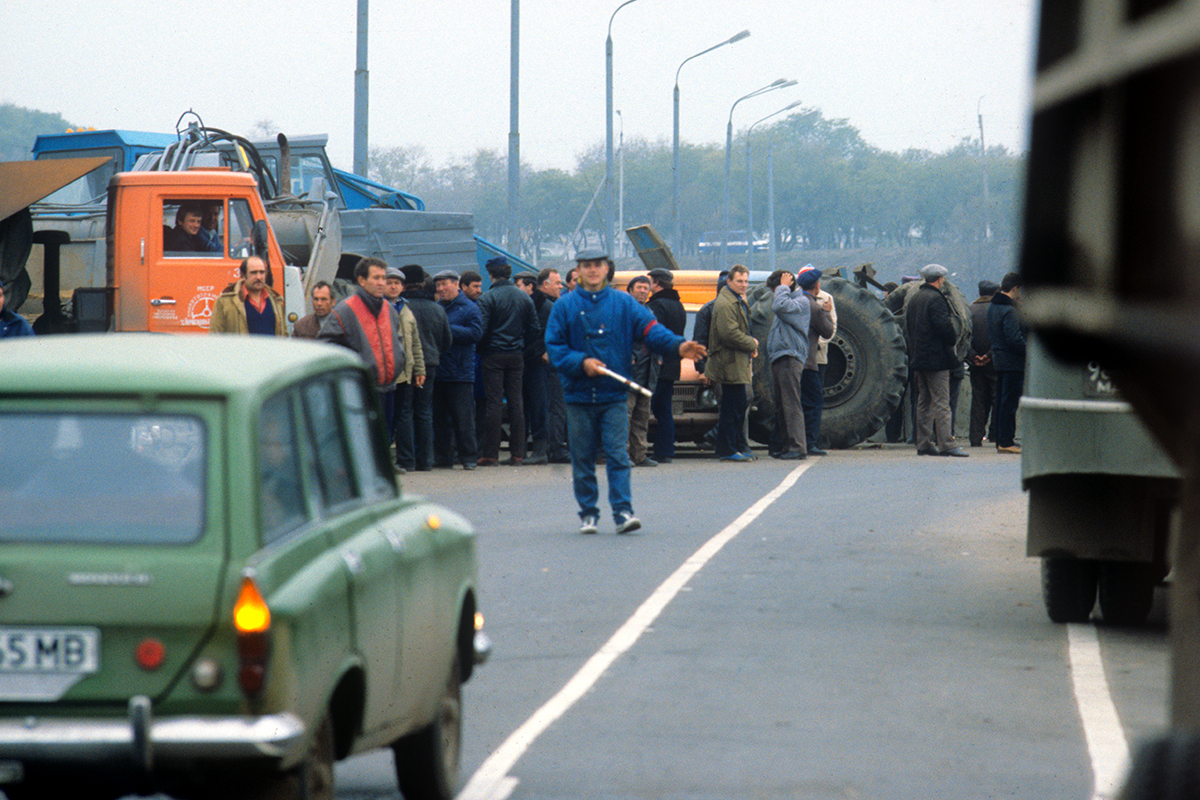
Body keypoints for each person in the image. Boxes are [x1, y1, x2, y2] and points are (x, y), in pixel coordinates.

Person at [545, 249, 706, 534]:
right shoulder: (564, 306)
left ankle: (622, 513)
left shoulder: (624, 304)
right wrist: (581, 362)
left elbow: (651, 330)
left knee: (619, 456)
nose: (593, 270)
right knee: (582, 458)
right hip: (578, 395)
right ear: (579, 270)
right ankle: (589, 514)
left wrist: (678, 346)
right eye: (586, 266)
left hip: (615, 394)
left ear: (607, 269)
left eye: (598, 265)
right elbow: (555, 348)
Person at [319, 257, 406, 432]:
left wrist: (399, 359)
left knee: (384, 440)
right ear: (362, 281)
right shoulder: (346, 310)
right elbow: (326, 345)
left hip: (389, 388)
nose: (382, 283)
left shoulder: (388, 309)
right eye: (376, 278)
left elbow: (398, 339)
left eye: (384, 278)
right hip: (362, 391)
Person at [476, 257, 540, 466]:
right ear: (509, 273)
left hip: (493, 355)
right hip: (516, 355)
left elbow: (482, 330)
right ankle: (518, 453)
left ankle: (491, 454)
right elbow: (534, 329)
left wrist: (483, 348)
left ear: (491, 274)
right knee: (516, 403)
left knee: (494, 403)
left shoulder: (487, 298)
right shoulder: (524, 298)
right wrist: (520, 344)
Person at [905, 264, 969, 457]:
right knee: (942, 402)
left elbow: (908, 326)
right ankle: (947, 444)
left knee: (923, 401)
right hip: (937, 360)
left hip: (919, 359)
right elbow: (944, 327)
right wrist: (952, 339)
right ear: (940, 279)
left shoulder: (915, 299)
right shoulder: (936, 298)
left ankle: (923, 443)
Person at [401, 265, 453, 471]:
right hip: (430, 364)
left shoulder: (402, 308)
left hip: (406, 364)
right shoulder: (437, 309)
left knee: (405, 411)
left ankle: (407, 459)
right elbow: (447, 339)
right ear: (423, 283)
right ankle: (426, 460)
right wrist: (434, 353)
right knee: (424, 411)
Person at [433, 269, 483, 470]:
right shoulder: (437, 308)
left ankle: (469, 457)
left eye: (445, 284)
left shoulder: (469, 308)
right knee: (440, 419)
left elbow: (476, 333)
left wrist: (448, 329)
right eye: (438, 286)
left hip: (461, 372)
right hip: (439, 371)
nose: (441, 289)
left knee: (464, 419)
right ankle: (443, 457)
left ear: (456, 284)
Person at [707, 264, 758, 462]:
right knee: (732, 407)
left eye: (746, 281)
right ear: (729, 282)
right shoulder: (726, 303)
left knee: (736, 406)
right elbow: (729, 333)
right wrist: (751, 343)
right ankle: (728, 449)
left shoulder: (736, 300)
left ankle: (730, 447)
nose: (744, 285)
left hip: (735, 361)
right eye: (739, 281)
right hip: (729, 362)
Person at [385, 267, 426, 473]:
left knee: (400, 416)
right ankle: (386, 461)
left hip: (405, 373)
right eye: (389, 282)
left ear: (403, 287)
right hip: (387, 372)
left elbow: (415, 343)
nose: (393, 287)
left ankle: (401, 461)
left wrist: (419, 369)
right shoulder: (380, 306)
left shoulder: (406, 309)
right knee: (388, 417)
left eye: (397, 283)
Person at [766, 270, 808, 459]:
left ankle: (797, 447)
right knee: (782, 405)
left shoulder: (801, 302)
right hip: (780, 357)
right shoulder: (789, 301)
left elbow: (780, 306)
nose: (775, 295)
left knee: (791, 404)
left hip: (790, 357)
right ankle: (786, 446)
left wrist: (782, 287)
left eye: (776, 290)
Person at [647, 267, 686, 464]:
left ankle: (657, 449)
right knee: (665, 410)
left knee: (651, 407)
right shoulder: (678, 305)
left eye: (650, 282)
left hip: (658, 365)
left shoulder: (657, 305)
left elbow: (655, 334)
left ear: (656, 283)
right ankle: (665, 449)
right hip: (673, 364)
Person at [797, 265, 837, 451]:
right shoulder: (815, 305)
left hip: (798, 359)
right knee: (815, 401)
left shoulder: (793, 300)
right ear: (816, 285)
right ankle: (810, 442)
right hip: (809, 361)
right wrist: (826, 312)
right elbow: (828, 330)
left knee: (798, 400)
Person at [988, 272, 1026, 454]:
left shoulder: (993, 307)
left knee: (1001, 402)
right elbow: (1014, 339)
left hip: (999, 360)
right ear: (1015, 288)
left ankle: (1000, 439)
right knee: (1010, 403)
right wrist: (1029, 351)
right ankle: (1006, 441)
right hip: (1013, 362)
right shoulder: (1010, 310)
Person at [515, 273, 551, 464]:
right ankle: (521, 451)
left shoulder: (546, 307)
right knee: (522, 406)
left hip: (537, 362)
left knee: (538, 406)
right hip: (521, 360)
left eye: (519, 285)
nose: (516, 289)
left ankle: (540, 451)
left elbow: (555, 333)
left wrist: (546, 351)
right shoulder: (521, 305)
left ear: (530, 287)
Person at [537, 268, 570, 463]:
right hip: (553, 366)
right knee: (557, 407)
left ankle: (557, 446)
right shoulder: (548, 307)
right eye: (557, 283)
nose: (561, 287)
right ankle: (556, 448)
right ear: (545, 285)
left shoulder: (551, 304)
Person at [625, 275, 657, 467]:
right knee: (625, 417)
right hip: (629, 372)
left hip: (647, 372)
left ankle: (639, 454)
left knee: (641, 418)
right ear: (630, 290)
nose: (643, 291)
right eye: (639, 287)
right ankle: (623, 455)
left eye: (646, 288)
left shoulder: (649, 312)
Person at [210, 256, 285, 335]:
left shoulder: (276, 300)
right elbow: (215, 335)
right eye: (254, 273)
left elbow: (283, 334)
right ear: (243, 275)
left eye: (262, 272)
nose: (259, 277)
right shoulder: (225, 301)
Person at [969, 280, 1000, 447]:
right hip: (994, 364)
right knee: (998, 399)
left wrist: (974, 356)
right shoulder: (998, 310)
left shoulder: (969, 310)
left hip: (975, 365)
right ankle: (996, 435)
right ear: (995, 293)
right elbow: (1000, 337)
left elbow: (964, 337)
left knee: (978, 401)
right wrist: (988, 355)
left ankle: (975, 438)